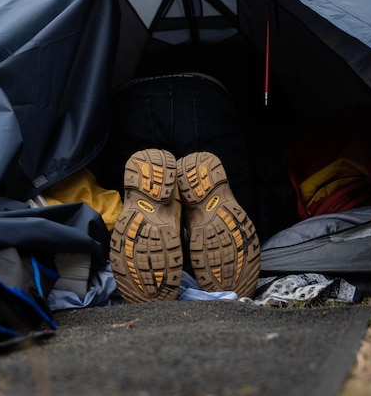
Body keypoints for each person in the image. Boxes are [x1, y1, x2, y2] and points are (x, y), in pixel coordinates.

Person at [89, 73, 261, 303]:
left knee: (133, 208)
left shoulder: (114, 51)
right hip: (210, 97)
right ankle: (194, 226)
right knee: (233, 208)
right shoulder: (238, 57)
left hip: (130, 104)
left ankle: (166, 215)